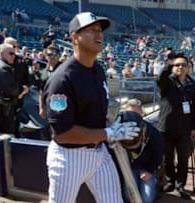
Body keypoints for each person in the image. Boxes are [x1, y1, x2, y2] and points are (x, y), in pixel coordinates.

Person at [43, 12, 140, 203]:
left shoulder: (97, 69)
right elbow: (63, 133)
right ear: (74, 37)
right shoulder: (62, 79)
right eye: (91, 30)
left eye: (100, 30)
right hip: (68, 157)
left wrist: (114, 125)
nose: (99, 35)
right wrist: (109, 133)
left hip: (99, 152)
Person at [156, 53, 195, 199]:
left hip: (185, 129)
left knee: (183, 160)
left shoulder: (192, 85)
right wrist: (169, 64)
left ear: (188, 68)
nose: (180, 67)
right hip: (166, 128)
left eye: (183, 65)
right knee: (168, 158)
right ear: (172, 67)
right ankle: (170, 181)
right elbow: (159, 79)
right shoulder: (167, 82)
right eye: (177, 65)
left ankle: (181, 185)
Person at [120, 99, 164, 203]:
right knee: (128, 196)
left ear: (142, 113)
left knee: (147, 199)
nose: (133, 117)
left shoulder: (152, 132)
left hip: (146, 169)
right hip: (129, 169)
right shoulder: (121, 131)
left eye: (136, 113)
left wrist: (150, 171)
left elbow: (159, 153)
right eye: (130, 113)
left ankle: (156, 186)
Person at [0, 43, 29, 134]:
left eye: (14, 54)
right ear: (1, 53)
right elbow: (11, 89)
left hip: (1, 107)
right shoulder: (2, 67)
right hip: (1, 110)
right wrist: (22, 89)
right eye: (10, 53)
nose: (14, 56)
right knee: (3, 136)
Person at [39, 45, 62, 119]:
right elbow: (41, 92)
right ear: (46, 57)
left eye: (55, 54)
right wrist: (41, 108)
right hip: (49, 107)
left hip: (63, 106)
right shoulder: (44, 72)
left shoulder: (65, 69)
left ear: (59, 56)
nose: (52, 57)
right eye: (49, 54)